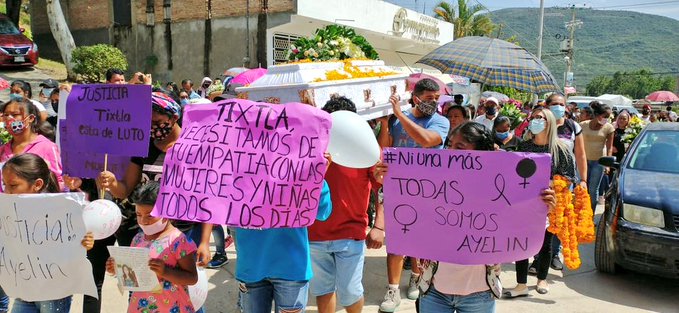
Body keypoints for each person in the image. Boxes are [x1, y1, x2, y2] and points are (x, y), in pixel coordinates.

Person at [373, 122, 557, 313]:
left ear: (481, 154)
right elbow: (399, 205)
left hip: (480, 294)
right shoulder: (433, 183)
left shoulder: (500, 191)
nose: (450, 152)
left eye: (459, 147)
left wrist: (543, 207)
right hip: (434, 291)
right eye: (449, 145)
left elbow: (525, 225)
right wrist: (387, 183)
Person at [96, 91, 212, 262]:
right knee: (141, 285)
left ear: (173, 117)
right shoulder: (144, 148)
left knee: (177, 284)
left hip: (183, 232)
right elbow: (124, 191)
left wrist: (205, 242)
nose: (151, 127)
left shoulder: (195, 148)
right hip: (145, 232)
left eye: (156, 122)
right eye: (147, 123)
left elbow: (206, 198)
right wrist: (112, 183)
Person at [377, 78, 449, 312]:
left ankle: (417, 277)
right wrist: (387, 124)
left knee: (420, 241)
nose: (434, 103)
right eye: (430, 99)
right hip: (398, 190)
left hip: (427, 191)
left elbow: (427, 140)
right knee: (396, 242)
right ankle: (393, 289)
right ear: (416, 98)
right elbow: (385, 150)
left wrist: (400, 115)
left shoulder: (440, 121)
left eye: (437, 98)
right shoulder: (398, 119)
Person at [308, 96, 382, 313]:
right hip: (314, 234)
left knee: (350, 292)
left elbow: (382, 189)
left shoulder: (366, 147)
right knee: (322, 290)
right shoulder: (312, 147)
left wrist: (380, 226)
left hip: (350, 233)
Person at [3, 153, 94, 313]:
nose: (7, 191)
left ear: (37, 184)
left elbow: (76, 245)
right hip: (25, 289)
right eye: (5, 185)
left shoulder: (61, 210)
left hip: (53, 292)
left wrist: (85, 243)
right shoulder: (9, 212)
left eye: (13, 185)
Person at [504, 107, 576, 298]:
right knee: (521, 243)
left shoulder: (561, 150)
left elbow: (569, 177)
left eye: (541, 118)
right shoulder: (524, 147)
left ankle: (542, 279)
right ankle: (520, 284)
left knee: (545, 243)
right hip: (524, 203)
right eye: (534, 117)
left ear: (550, 122)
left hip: (547, 203)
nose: (536, 120)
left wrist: (549, 182)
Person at [236, 180, 332, 313]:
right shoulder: (240, 167)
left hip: (290, 268)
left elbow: (323, 211)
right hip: (252, 266)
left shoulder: (302, 168)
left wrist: (317, 177)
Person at [106, 181, 198, 313]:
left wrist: (165, 272)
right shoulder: (138, 239)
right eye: (138, 215)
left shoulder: (178, 241)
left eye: (150, 215)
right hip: (141, 306)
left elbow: (192, 278)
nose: (143, 220)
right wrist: (117, 268)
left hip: (172, 307)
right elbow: (132, 276)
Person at [0, 98, 63, 191]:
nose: (9, 118)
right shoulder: (2, 150)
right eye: (6, 115)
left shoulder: (47, 147)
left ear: (30, 118)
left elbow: (59, 182)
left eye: (15, 114)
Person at [580, 101, 614, 211]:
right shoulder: (583, 125)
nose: (607, 119)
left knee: (593, 189)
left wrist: (608, 164)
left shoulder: (609, 128)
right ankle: (580, 214)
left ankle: (590, 216)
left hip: (599, 163)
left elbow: (609, 147)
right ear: (597, 115)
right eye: (605, 116)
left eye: (608, 117)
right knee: (581, 188)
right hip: (583, 161)